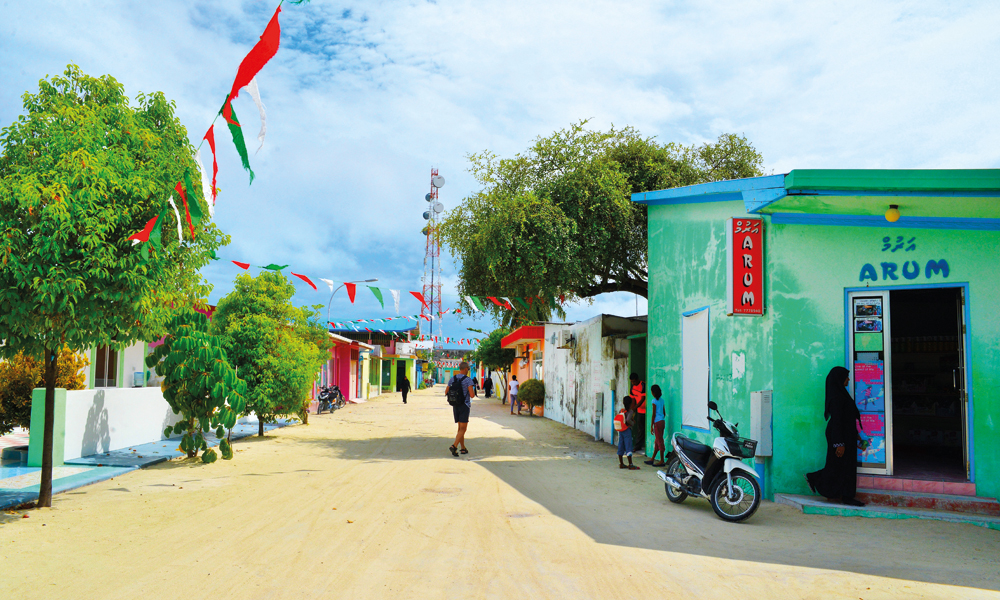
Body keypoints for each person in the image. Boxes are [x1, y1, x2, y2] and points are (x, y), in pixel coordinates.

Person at [806, 366, 866, 507]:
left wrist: (856, 436)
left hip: (846, 434)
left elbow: (847, 419)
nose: (848, 379)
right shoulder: (837, 398)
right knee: (838, 465)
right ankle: (844, 494)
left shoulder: (841, 394)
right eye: (846, 377)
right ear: (839, 379)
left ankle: (843, 494)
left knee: (841, 466)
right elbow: (837, 421)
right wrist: (839, 444)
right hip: (839, 436)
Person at [447, 361, 477, 456]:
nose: (468, 371)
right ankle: (454, 446)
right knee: (463, 429)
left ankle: (463, 448)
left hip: (455, 405)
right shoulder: (468, 380)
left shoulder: (453, 378)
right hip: (464, 405)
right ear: (465, 369)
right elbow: (472, 395)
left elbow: (446, 391)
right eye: (468, 369)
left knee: (460, 428)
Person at [644, 384, 666, 466]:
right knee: (657, 440)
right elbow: (664, 412)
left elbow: (653, 414)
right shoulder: (662, 400)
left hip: (657, 422)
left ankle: (662, 460)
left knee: (659, 441)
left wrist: (651, 426)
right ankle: (652, 458)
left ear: (653, 393)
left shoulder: (654, 401)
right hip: (662, 421)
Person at [616, 396, 640, 470]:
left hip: (621, 430)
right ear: (631, 403)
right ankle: (630, 464)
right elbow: (628, 420)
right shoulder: (630, 411)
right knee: (628, 446)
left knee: (621, 446)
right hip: (627, 430)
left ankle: (621, 463)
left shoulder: (621, 410)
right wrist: (633, 423)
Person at [630, 373, 646, 454]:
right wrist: (633, 410)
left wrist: (634, 408)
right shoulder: (632, 387)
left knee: (645, 429)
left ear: (637, 379)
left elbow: (643, 398)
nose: (633, 383)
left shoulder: (643, 385)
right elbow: (633, 399)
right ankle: (638, 446)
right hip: (639, 411)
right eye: (631, 382)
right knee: (640, 429)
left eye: (634, 381)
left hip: (646, 411)